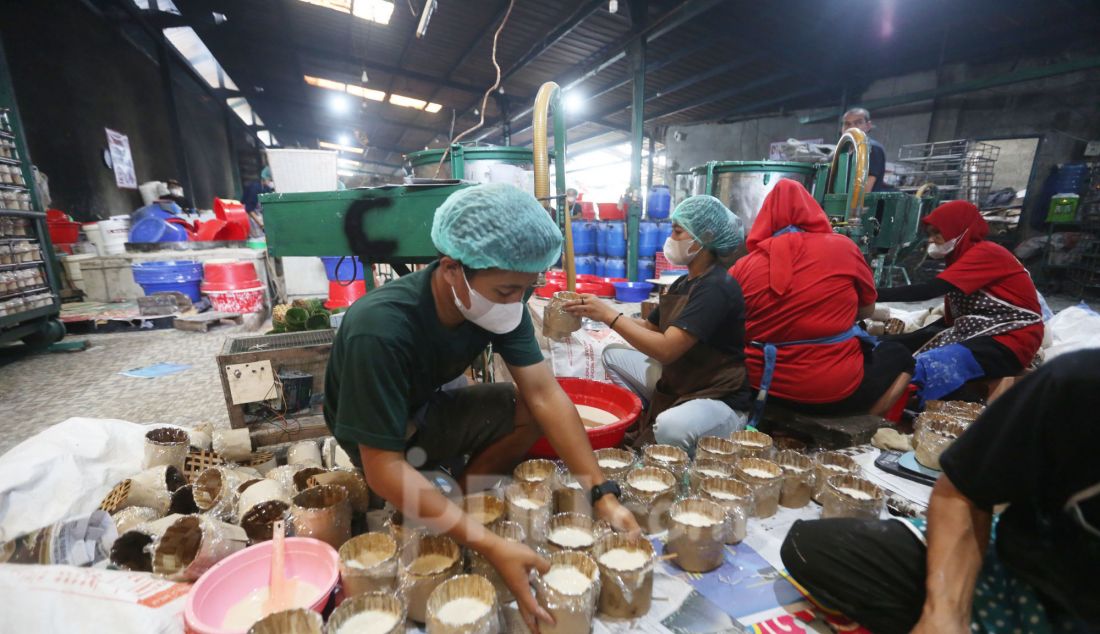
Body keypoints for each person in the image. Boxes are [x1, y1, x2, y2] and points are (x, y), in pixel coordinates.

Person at [323, 183, 639, 631]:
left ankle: (464, 494)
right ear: (452, 269)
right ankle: (446, 502)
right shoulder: (380, 329)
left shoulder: (496, 301)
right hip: (375, 433)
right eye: (508, 290)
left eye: (527, 288)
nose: (517, 302)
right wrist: (491, 545)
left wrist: (601, 493)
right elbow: (381, 467)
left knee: (524, 409)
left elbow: (546, 395)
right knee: (406, 504)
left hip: (425, 409)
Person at [780, 349, 1100, 634]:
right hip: (1018, 579)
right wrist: (945, 614)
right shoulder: (1080, 386)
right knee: (816, 546)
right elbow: (963, 490)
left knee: (909, 354)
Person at [564, 195, 751, 453]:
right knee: (611, 355)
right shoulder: (683, 283)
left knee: (670, 427)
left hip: (717, 394)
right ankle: (650, 415)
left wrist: (609, 316)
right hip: (683, 381)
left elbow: (666, 349)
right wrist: (598, 314)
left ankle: (688, 425)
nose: (670, 238)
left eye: (677, 231)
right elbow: (651, 329)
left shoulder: (716, 287)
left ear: (704, 238)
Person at [730, 179, 914, 418]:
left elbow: (733, 324)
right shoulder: (844, 248)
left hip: (761, 387)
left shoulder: (743, 266)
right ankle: (867, 425)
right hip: (833, 390)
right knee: (901, 356)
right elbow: (867, 311)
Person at [876, 200, 1043, 403]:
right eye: (929, 234)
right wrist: (886, 343)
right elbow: (948, 323)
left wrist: (870, 294)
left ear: (959, 229)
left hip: (1010, 339)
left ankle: (904, 406)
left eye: (937, 232)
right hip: (980, 331)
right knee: (898, 347)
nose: (932, 240)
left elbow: (929, 290)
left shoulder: (987, 253)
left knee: (930, 364)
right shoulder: (959, 259)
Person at [841, 107, 892, 192]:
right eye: (847, 124)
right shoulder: (844, 152)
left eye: (858, 123)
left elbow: (865, 190)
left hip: (860, 204)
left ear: (868, 126)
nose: (852, 127)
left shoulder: (871, 148)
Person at [241, 166, 274, 236]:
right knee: (258, 235)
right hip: (248, 214)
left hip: (258, 212)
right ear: (264, 178)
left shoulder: (267, 189)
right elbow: (249, 209)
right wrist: (261, 225)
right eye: (270, 180)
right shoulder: (254, 188)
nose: (271, 182)